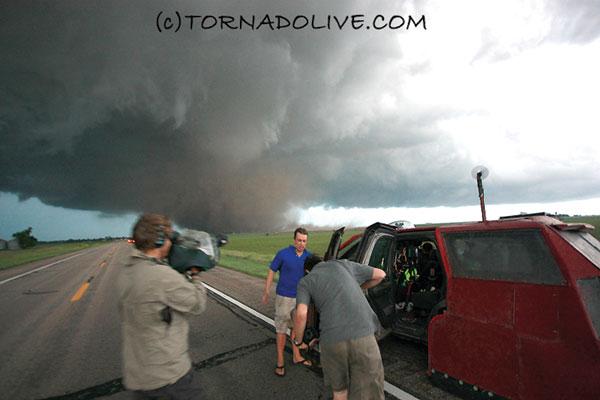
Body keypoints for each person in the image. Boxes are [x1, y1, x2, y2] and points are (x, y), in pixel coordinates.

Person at [117, 213, 207, 399]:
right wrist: (194, 275)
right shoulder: (162, 276)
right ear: (159, 240)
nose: (171, 242)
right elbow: (197, 304)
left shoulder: (127, 271)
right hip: (169, 377)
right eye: (168, 237)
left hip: (139, 375)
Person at [293, 255, 386, 400]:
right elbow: (381, 274)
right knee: (370, 392)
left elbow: (300, 314)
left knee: (340, 392)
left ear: (307, 270)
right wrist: (357, 287)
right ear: (323, 261)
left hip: (331, 341)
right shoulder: (343, 265)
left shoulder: (305, 281)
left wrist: (299, 342)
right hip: (363, 334)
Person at [261, 227, 312, 377]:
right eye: (299, 240)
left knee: (296, 329)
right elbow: (271, 270)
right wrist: (266, 290)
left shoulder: (308, 257)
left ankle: (297, 356)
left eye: (304, 241)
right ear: (294, 240)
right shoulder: (283, 254)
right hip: (284, 298)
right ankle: (280, 361)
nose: (302, 243)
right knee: (282, 329)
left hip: (301, 299)